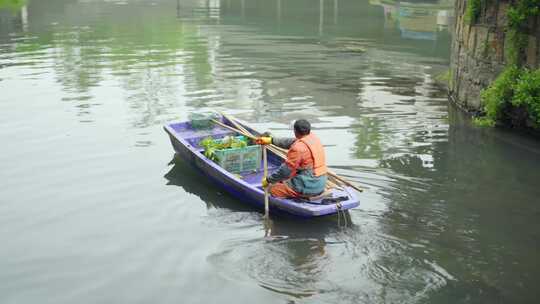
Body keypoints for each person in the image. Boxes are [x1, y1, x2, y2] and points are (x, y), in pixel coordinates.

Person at [255, 119, 328, 198]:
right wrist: (271, 140)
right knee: (286, 178)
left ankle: (299, 195)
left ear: (295, 131)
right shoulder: (314, 139)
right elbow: (289, 142)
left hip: (308, 186)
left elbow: (285, 172)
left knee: (272, 189)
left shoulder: (297, 149)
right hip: (321, 183)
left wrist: (268, 180)